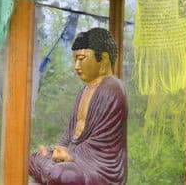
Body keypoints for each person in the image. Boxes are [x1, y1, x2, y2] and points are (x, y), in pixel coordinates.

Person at [29, 27, 128, 185]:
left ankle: (50, 172)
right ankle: (50, 171)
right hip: (76, 158)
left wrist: (69, 156)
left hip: (99, 167)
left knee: (62, 174)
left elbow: (101, 144)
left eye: (81, 58)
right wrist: (58, 149)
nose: (76, 66)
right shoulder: (85, 90)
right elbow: (70, 134)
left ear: (103, 59)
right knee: (33, 157)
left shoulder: (112, 88)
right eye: (74, 59)